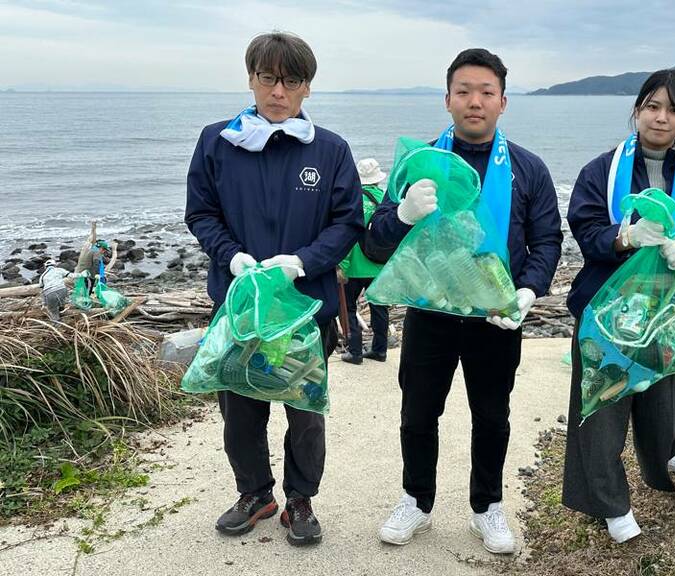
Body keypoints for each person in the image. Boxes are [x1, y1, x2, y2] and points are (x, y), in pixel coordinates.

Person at [366, 48, 562, 554]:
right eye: (464, 91)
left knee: (492, 414)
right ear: (447, 100)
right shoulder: (420, 162)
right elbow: (375, 242)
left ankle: (487, 507)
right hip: (430, 313)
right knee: (417, 413)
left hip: (497, 316)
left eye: (486, 92)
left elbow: (546, 240)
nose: (475, 101)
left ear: (503, 102)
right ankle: (416, 500)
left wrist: (529, 289)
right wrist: (404, 214)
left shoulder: (528, 169)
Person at [184, 31, 364, 547]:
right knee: (239, 407)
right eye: (268, 78)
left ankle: (301, 499)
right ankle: (255, 493)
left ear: (307, 87)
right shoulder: (218, 141)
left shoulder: (329, 150)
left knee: (305, 410)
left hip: (305, 308)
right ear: (251, 79)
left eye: (291, 81)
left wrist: (303, 262)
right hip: (238, 306)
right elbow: (201, 212)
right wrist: (230, 255)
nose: (278, 91)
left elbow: (347, 221)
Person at [562, 69, 675, 543]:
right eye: (653, 106)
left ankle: (666, 448)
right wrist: (624, 236)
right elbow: (586, 229)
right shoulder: (602, 170)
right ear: (637, 110)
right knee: (602, 408)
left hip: (672, 310)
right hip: (607, 312)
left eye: (674, 109)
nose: (662, 117)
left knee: (671, 395)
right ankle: (609, 503)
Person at [338, 158, 390, 365]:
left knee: (350, 308)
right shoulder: (385, 200)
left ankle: (355, 352)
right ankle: (380, 350)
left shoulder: (353, 201)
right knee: (379, 307)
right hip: (379, 265)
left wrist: (341, 266)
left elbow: (347, 236)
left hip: (355, 266)